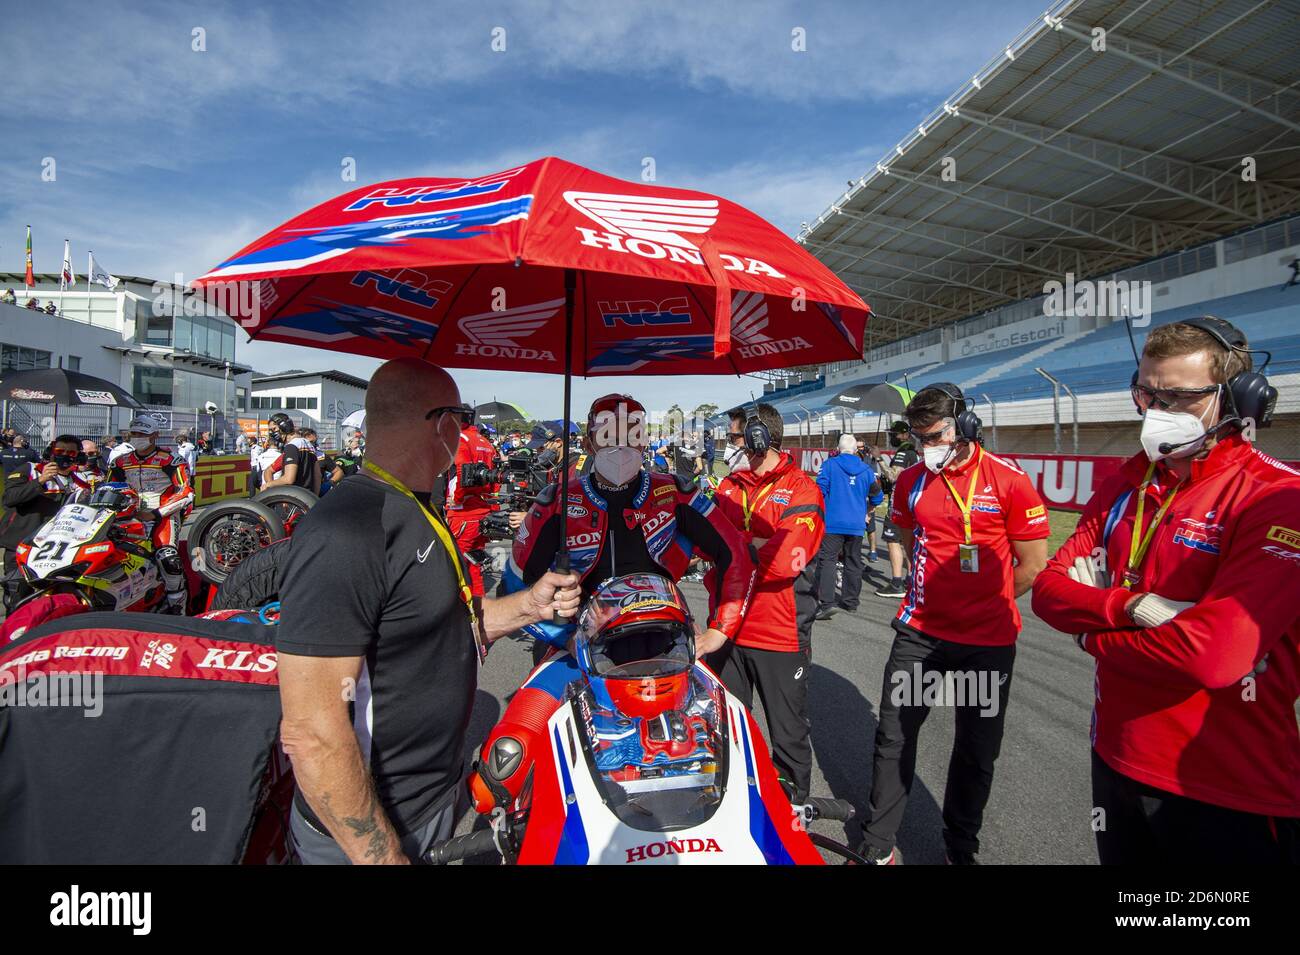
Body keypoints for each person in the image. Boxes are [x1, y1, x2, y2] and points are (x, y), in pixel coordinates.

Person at [275, 357, 581, 864]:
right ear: (442, 425)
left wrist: (530, 605)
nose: (464, 434)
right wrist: (381, 856)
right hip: (367, 830)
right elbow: (311, 730)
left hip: (431, 800)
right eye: (460, 420)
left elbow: (450, 625)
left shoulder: (417, 508)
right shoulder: (346, 530)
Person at [1032, 317, 1298, 864]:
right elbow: (1048, 591)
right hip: (1116, 757)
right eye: (1146, 393)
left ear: (1238, 400)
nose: (1156, 411)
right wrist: (1132, 606)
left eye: (1177, 397)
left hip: (1228, 786)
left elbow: (1214, 656)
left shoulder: (1277, 498)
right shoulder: (1126, 483)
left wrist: (1091, 638)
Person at [856, 383, 1049, 865]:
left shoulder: (1009, 479)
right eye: (919, 438)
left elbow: (1032, 564)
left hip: (986, 642)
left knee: (975, 750)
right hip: (920, 635)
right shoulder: (911, 480)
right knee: (894, 736)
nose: (927, 447)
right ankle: (878, 844)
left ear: (965, 426)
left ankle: (960, 848)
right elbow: (904, 532)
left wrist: (987, 601)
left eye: (935, 436)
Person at [505, 393, 754, 666]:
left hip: (662, 637)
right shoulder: (557, 500)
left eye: (631, 436)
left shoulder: (676, 492)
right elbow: (514, 581)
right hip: (576, 641)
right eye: (609, 437)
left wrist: (720, 630)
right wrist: (562, 637)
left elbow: (735, 551)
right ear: (589, 444)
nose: (621, 446)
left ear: (644, 442)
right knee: (534, 707)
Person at [706, 403, 825, 802]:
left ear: (759, 439)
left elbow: (783, 561)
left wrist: (732, 549)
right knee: (727, 729)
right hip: (724, 628)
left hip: (777, 634)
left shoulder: (803, 489)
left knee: (788, 735)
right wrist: (749, 546)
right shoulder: (727, 487)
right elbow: (704, 544)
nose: (728, 445)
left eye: (734, 437)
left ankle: (793, 819)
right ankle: (738, 805)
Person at [107, 416, 195, 612]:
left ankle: (178, 610)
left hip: (162, 516)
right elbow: (109, 489)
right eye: (134, 434)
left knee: (168, 558)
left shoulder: (171, 459)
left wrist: (155, 514)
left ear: (154, 435)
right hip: (128, 517)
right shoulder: (119, 462)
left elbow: (186, 492)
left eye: (143, 434)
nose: (138, 437)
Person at [814, 433, 884, 619]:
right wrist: (867, 512)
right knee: (853, 561)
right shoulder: (866, 470)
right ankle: (851, 601)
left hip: (832, 523)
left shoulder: (829, 465)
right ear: (855, 450)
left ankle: (827, 602)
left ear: (838, 449)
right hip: (856, 524)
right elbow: (878, 496)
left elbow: (819, 491)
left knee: (827, 561)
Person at [1, 435, 94, 568]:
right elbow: (9, 499)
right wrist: (40, 481)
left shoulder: (81, 485)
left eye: (71, 453)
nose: (65, 455)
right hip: (22, 545)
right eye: (60, 452)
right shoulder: (30, 470)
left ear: (79, 457)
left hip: (56, 550)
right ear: (51, 453)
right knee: (17, 587)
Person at [870, 420, 919, 598]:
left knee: (893, 541)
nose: (893, 437)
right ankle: (911, 579)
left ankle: (897, 582)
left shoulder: (904, 452)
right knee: (908, 542)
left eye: (895, 434)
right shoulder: (913, 452)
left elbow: (893, 477)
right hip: (912, 501)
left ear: (905, 434)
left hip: (899, 503)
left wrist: (878, 457)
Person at [261, 413, 320, 494]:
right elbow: (318, 476)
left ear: (284, 426)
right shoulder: (309, 445)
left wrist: (268, 485)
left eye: (274, 429)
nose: (272, 433)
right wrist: (314, 497)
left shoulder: (291, 447)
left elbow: (289, 479)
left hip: (294, 498)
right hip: (309, 497)